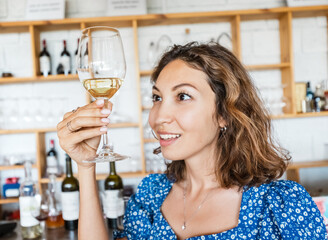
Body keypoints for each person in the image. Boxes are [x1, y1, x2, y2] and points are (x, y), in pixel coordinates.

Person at [57, 42, 327, 240]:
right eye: (157, 97)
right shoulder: (151, 196)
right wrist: (85, 166)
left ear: (224, 113)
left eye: (183, 96)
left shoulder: (280, 205)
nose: (159, 116)